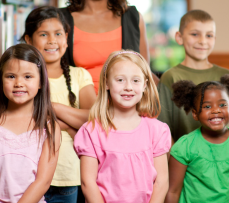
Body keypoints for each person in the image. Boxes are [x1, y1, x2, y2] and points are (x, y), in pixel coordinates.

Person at [73, 50, 171, 203]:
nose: (128, 87)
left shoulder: (157, 130)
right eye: (120, 80)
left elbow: (161, 182)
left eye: (135, 81)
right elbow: (88, 183)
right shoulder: (92, 131)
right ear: (106, 83)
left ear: (145, 85)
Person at [22, 6, 96, 203]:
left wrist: (54, 108)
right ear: (29, 40)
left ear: (66, 37)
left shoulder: (80, 75)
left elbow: (94, 118)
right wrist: (71, 124)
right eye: (43, 34)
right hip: (29, 174)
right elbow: (23, 121)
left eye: (58, 34)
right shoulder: (24, 78)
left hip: (67, 175)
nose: (52, 40)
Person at [59, 0, 151, 93]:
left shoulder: (133, 18)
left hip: (125, 110)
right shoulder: (60, 19)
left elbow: (145, 74)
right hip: (77, 111)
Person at [0, 44, 61, 203]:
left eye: (28, 77)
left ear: (41, 82)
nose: (19, 83)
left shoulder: (49, 128)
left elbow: (42, 182)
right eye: (11, 76)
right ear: (1, 81)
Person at [165, 75, 229, 203]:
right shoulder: (184, 146)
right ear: (195, 114)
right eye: (207, 107)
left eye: (222, 105)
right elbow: (173, 192)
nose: (216, 111)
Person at [158, 10, 229, 142]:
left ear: (214, 39)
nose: (202, 41)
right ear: (179, 37)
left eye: (209, 35)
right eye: (195, 34)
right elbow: (163, 131)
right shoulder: (171, 77)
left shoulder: (227, 76)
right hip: (186, 161)